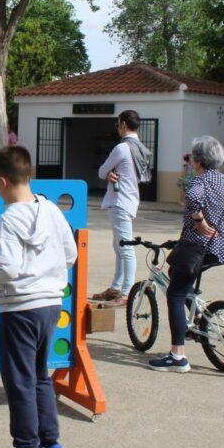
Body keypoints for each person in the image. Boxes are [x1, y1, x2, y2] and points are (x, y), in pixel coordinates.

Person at [0, 145, 76, 448]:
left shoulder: (7, 220)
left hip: (19, 309)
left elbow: (7, 269)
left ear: (1, 181)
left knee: (20, 383)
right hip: (50, 304)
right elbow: (70, 254)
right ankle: (50, 445)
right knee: (40, 375)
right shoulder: (52, 210)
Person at [149, 136, 224, 373]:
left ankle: (178, 356)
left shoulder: (201, 180)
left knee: (175, 296)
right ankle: (197, 309)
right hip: (221, 247)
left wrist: (198, 220)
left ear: (197, 160)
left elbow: (194, 198)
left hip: (198, 246)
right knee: (176, 274)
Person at [94, 110, 149, 308]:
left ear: (124, 124)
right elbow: (142, 177)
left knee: (125, 249)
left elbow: (101, 171)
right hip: (131, 200)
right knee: (119, 246)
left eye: (118, 124)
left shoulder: (122, 148)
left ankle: (126, 293)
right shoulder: (141, 149)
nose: (117, 128)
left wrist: (108, 172)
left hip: (119, 201)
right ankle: (116, 287)